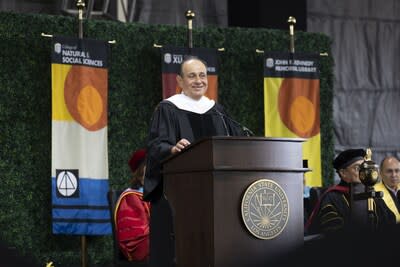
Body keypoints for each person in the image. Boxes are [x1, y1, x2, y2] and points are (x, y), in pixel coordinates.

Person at [143, 56, 247, 267]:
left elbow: (236, 143)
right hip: (179, 198)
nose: (198, 80)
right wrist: (171, 149)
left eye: (202, 75)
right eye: (192, 76)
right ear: (180, 81)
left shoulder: (218, 111)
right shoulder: (168, 109)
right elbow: (155, 146)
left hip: (218, 199)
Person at [305, 148, 395, 235]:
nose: (363, 172)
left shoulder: (371, 193)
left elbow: (391, 220)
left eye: (364, 167)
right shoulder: (332, 198)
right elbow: (333, 231)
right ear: (343, 173)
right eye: (357, 168)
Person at [115, 148, 151, 262]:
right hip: (143, 252)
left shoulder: (158, 194)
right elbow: (137, 241)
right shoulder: (130, 198)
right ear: (140, 172)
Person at [373, 156, 400, 223]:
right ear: (380, 173)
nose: (394, 175)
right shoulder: (375, 193)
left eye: (397, 171)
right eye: (389, 171)